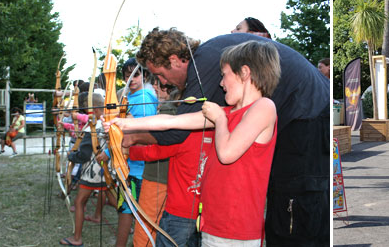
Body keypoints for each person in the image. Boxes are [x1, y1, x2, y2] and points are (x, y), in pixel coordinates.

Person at [120, 29, 330, 246]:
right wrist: (126, 125)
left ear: (174, 60)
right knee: (283, 213)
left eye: (161, 74)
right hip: (218, 226)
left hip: (308, 120)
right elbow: (175, 122)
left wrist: (133, 137)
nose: (164, 82)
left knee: (294, 216)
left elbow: (179, 134)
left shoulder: (209, 70)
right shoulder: (230, 103)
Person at [109, 40, 279, 246]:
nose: (221, 83)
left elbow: (227, 153)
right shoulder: (224, 113)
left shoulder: (263, 107)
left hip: (236, 230)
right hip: (211, 224)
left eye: (224, 75)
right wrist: (125, 123)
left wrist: (220, 119)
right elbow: (171, 122)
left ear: (244, 73)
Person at [99, 58, 158, 247]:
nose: (131, 79)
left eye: (136, 74)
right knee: (125, 209)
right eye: (127, 76)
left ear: (145, 75)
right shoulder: (129, 98)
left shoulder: (144, 98)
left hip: (138, 168)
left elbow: (141, 132)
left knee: (136, 211)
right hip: (127, 165)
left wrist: (109, 152)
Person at [60, 94, 116, 247]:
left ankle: (77, 238)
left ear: (95, 109)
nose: (87, 113)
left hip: (92, 173)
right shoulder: (110, 124)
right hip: (107, 172)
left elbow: (84, 155)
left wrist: (72, 156)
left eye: (89, 109)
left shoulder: (92, 128)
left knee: (79, 202)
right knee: (114, 200)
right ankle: (129, 224)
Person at [132, 77, 177, 247]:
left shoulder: (170, 107)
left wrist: (131, 143)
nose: (155, 87)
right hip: (169, 177)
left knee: (147, 228)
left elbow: (162, 142)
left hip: (159, 177)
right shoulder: (169, 106)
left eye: (159, 82)